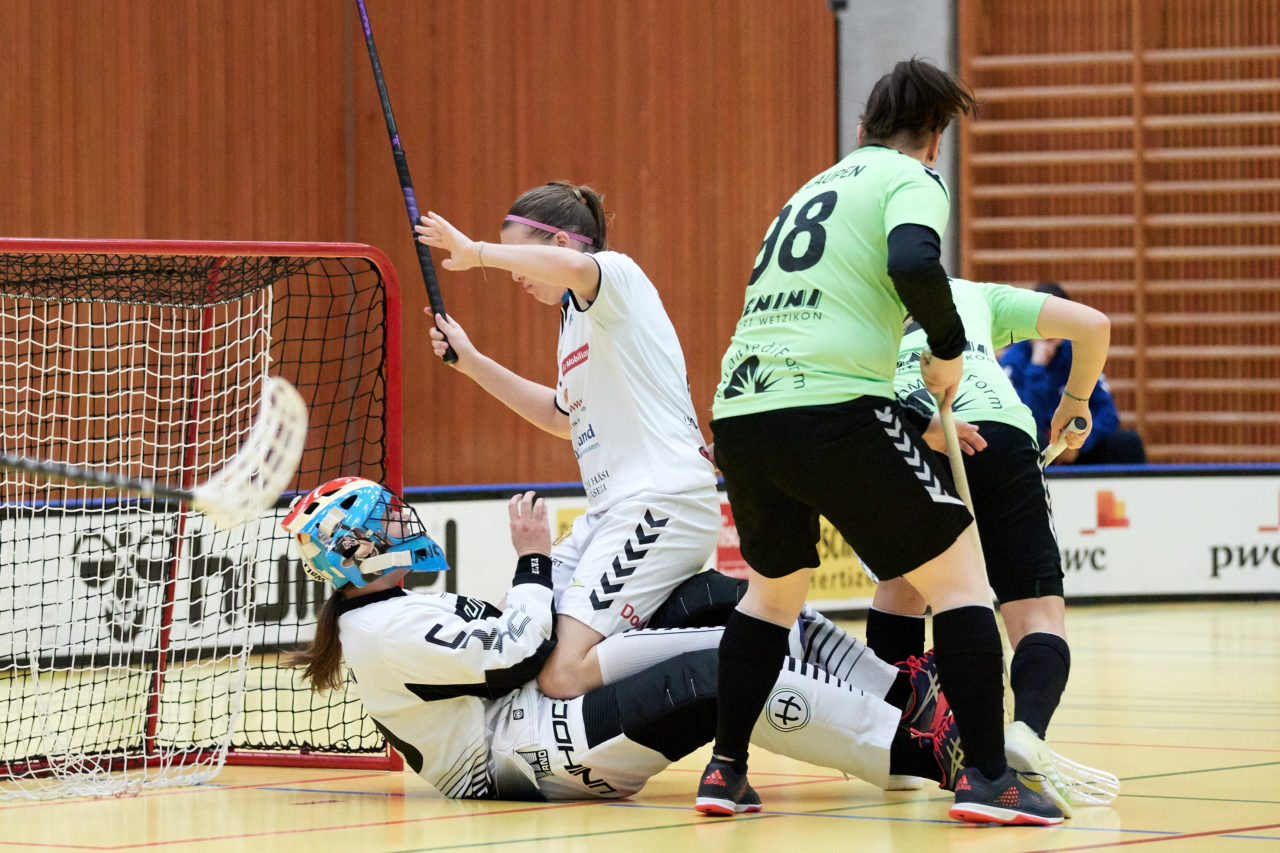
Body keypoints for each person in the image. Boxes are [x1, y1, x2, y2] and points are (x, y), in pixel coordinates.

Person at [697, 58, 1063, 825]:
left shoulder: (812, 189)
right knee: (960, 579)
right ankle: (989, 779)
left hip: (740, 409)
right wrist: (949, 346)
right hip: (830, 405)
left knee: (772, 593)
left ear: (861, 128)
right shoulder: (913, 178)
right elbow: (912, 260)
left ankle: (725, 769)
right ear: (935, 140)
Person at [280, 477, 964, 803]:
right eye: (384, 522)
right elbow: (520, 646)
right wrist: (533, 558)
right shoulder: (382, 630)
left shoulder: (389, 613)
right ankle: (925, 754)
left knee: (716, 595)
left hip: (529, 714)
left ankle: (901, 690)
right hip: (519, 758)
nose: (401, 523)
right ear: (356, 552)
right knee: (719, 674)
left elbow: (515, 636)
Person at [412, 182, 720, 700]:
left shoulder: (616, 274)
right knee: (515, 636)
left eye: (519, 256)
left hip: (661, 501)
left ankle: (750, 636)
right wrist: (471, 363)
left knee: (563, 673)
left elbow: (578, 269)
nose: (515, 273)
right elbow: (562, 417)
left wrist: (475, 252)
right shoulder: (574, 320)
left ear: (559, 245)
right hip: (609, 513)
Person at [867, 276, 1112, 816]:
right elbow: (1094, 325)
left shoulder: (863, 295)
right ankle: (1025, 733)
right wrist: (1074, 402)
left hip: (908, 435)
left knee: (902, 590)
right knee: (1036, 611)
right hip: (996, 431)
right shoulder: (975, 294)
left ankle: (900, 753)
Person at [999, 282, 1146, 465]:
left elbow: (1108, 413)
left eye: (1057, 320)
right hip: (1037, 446)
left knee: (1128, 443)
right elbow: (1024, 421)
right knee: (1033, 441)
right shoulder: (1012, 361)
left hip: (1079, 447)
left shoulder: (1079, 353)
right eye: (1044, 321)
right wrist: (1036, 368)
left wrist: (1078, 443)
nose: (1050, 328)